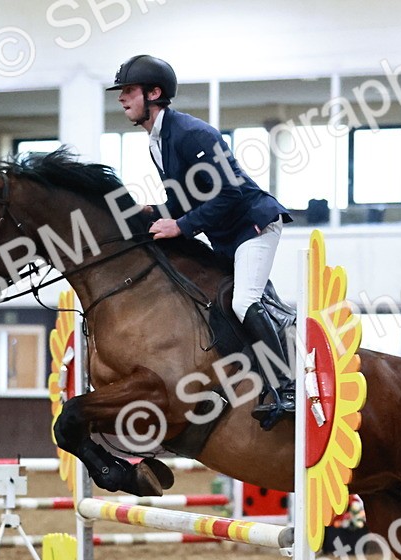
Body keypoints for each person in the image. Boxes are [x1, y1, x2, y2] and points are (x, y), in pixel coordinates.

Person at [108, 54, 295, 430]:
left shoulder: (192, 133)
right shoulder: (157, 142)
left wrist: (180, 227)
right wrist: (147, 212)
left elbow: (228, 193)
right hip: (226, 234)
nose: (121, 98)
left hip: (253, 225)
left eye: (129, 90)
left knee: (244, 301)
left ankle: (286, 387)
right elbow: (183, 199)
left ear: (154, 93)